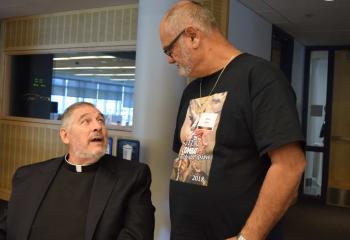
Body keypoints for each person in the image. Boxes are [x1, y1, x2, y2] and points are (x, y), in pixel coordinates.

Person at [159, 1, 306, 240]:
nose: (169, 59)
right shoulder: (191, 90)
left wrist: (247, 237)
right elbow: (187, 156)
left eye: (169, 49)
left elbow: (290, 166)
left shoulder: (260, 77)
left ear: (193, 36)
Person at [0, 102, 155, 240]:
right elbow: (7, 228)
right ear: (65, 135)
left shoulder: (132, 176)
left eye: (100, 120)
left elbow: (137, 235)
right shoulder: (27, 176)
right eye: (86, 121)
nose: (98, 126)